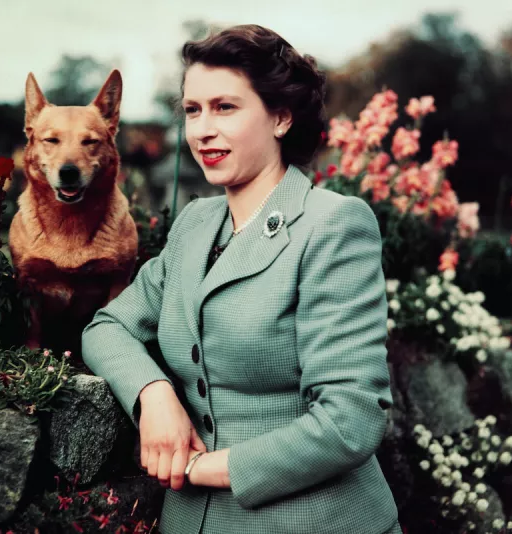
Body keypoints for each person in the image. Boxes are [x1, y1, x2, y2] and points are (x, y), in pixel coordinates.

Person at [81, 24, 401, 534]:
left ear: (280, 117)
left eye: (225, 107)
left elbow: (351, 420)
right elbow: (106, 327)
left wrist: (202, 467)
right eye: (192, 110)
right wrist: (154, 393)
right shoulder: (194, 224)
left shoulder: (333, 223)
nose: (202, 129)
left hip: (313, 522)